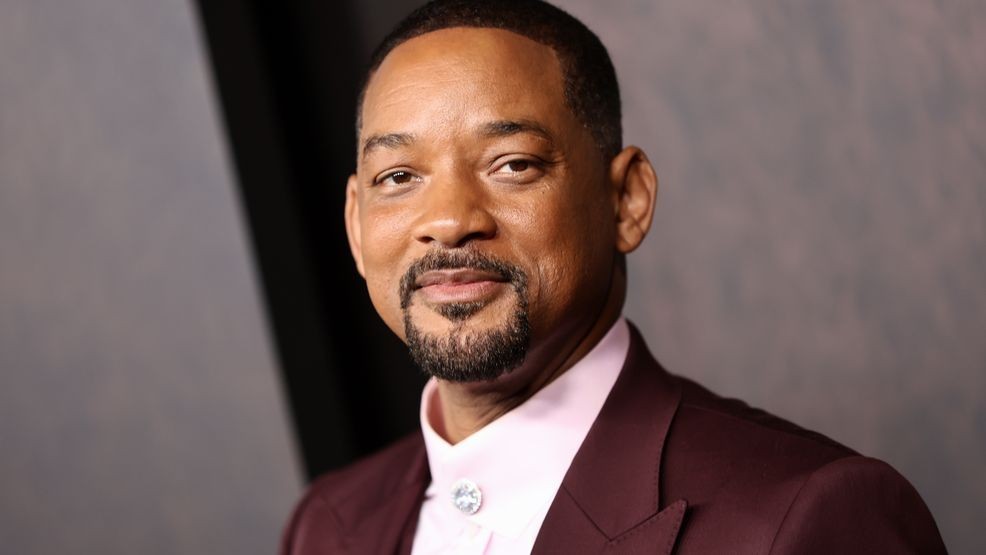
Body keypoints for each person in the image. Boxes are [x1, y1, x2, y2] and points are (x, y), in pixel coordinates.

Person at [280, 0, 946, 553]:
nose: (449, 220)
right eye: (398, 177)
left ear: (626, 199)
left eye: (512, 164)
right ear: (356, 226)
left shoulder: (803, 519)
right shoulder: (325, 525)